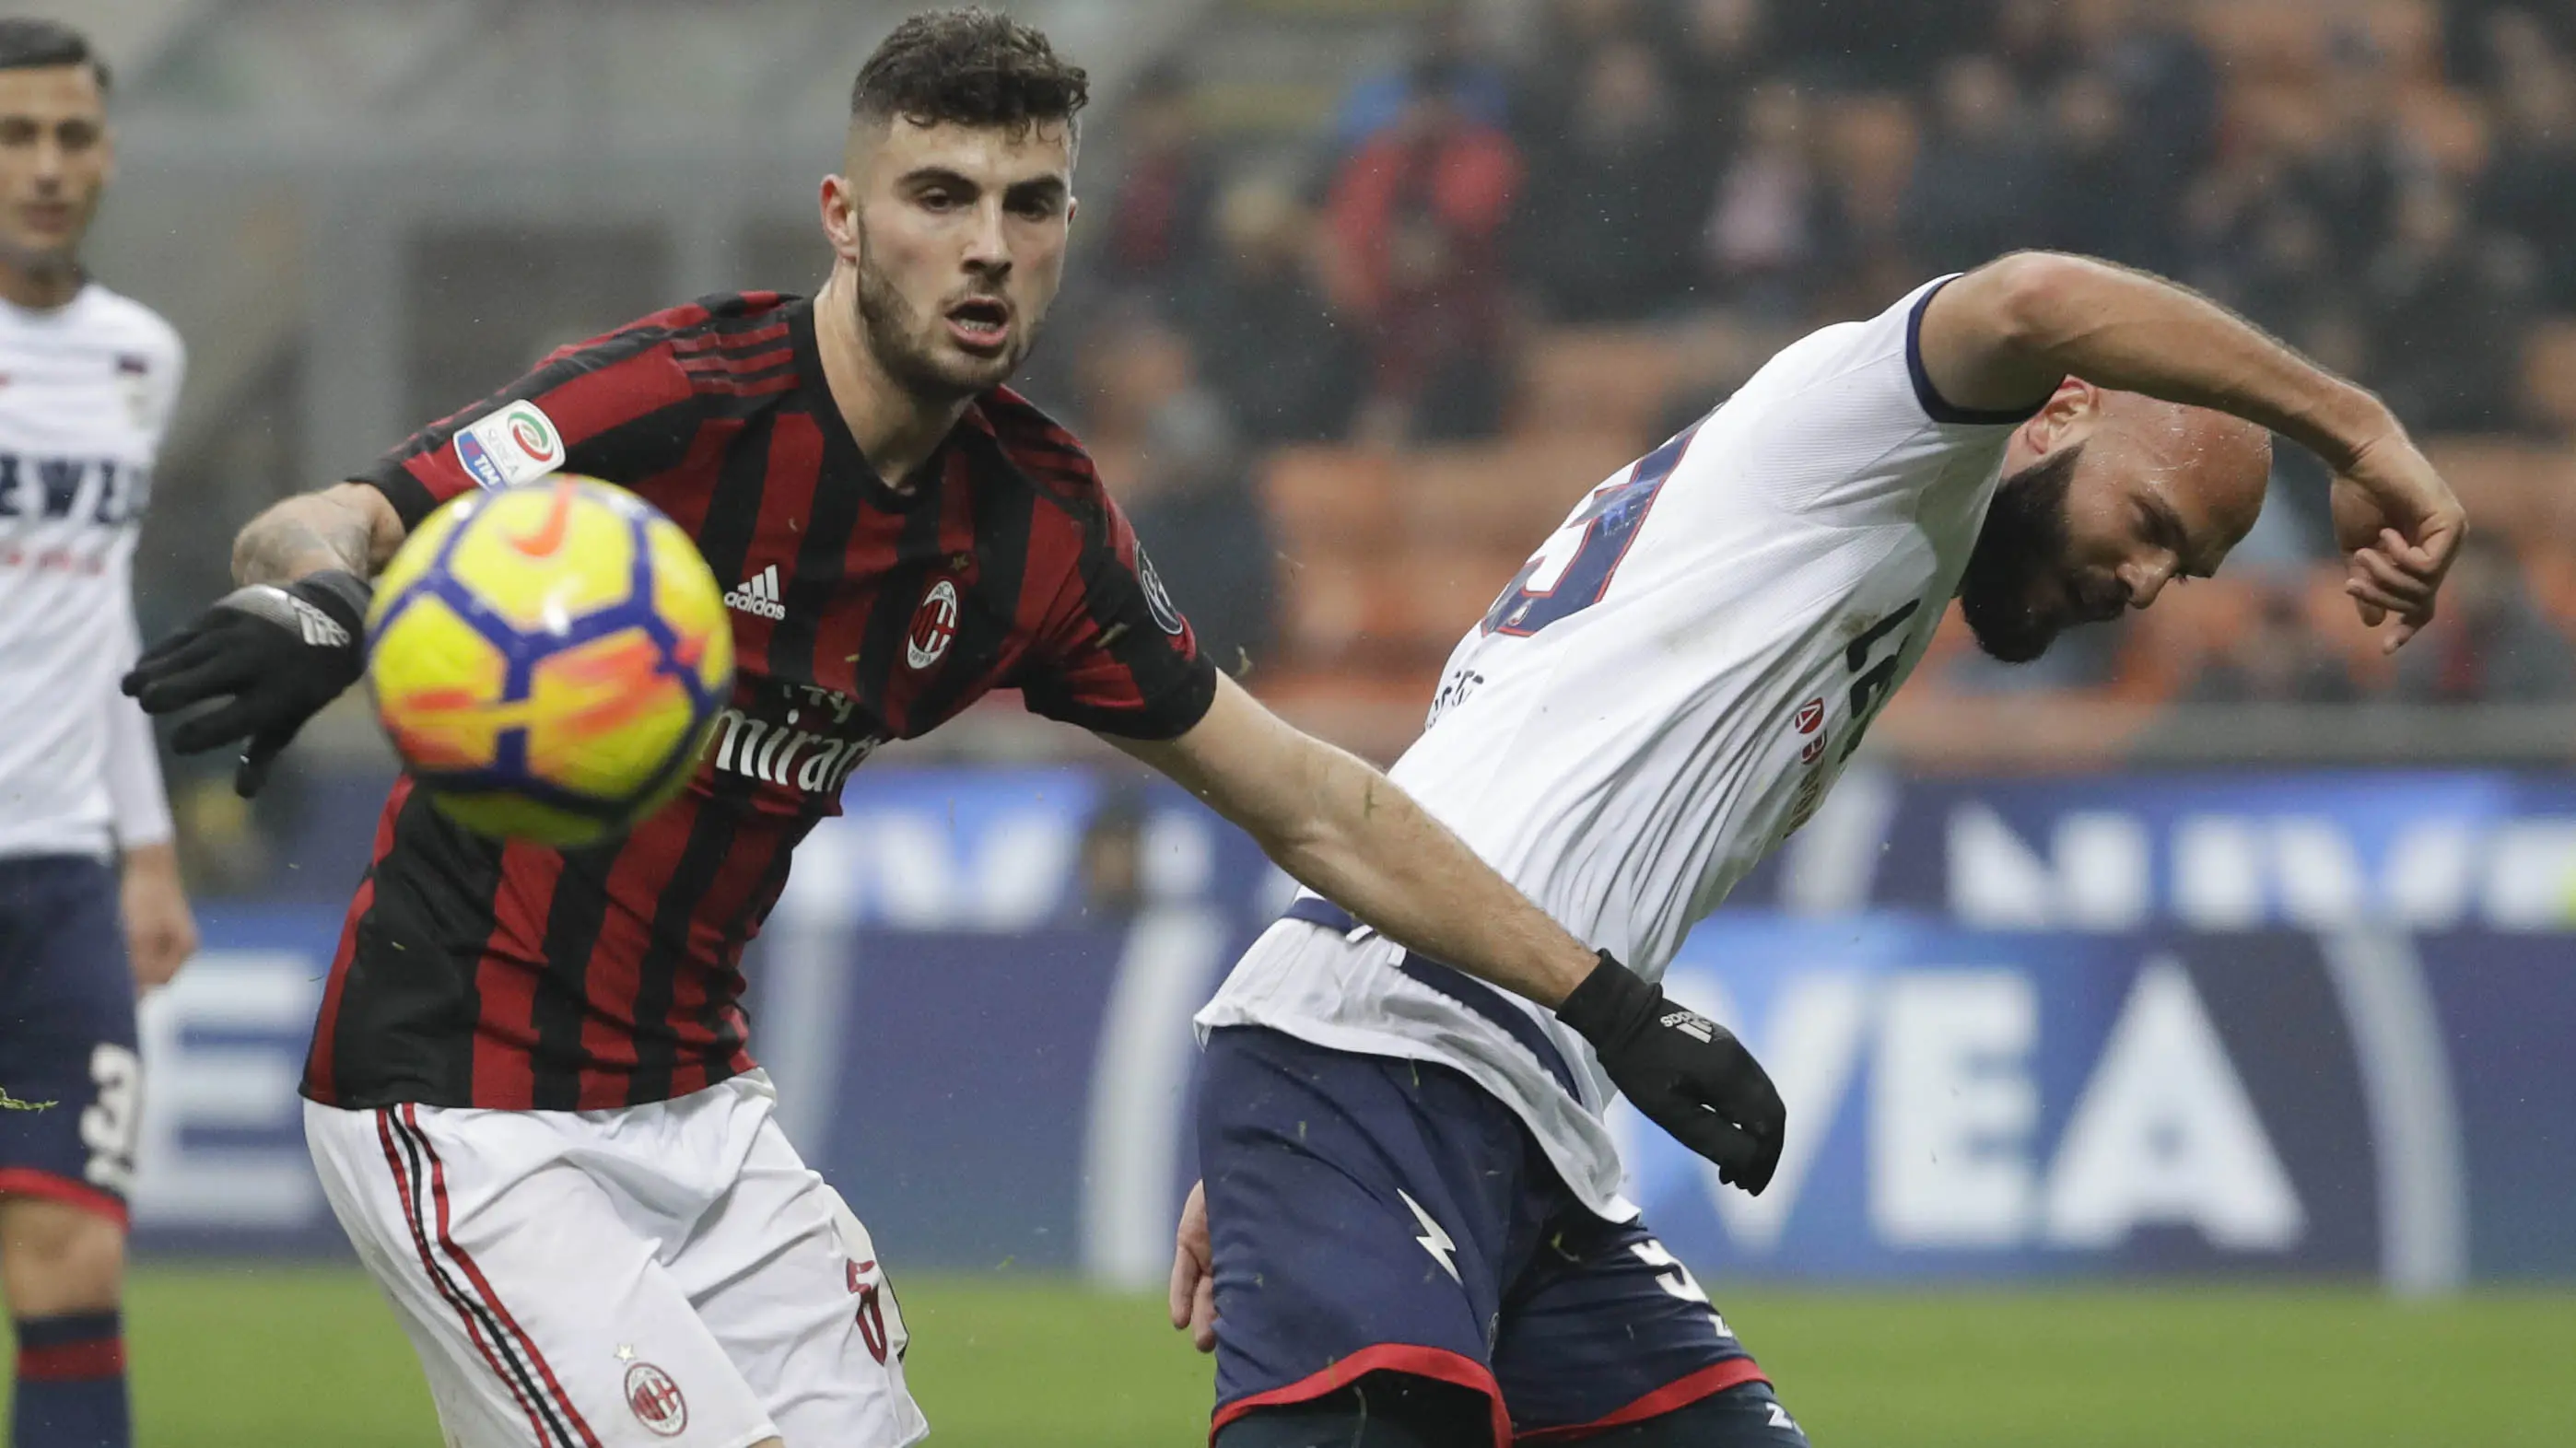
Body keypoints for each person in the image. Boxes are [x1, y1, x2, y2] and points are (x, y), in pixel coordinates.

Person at [119, 11, 1782, 1448]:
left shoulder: (1036, 529)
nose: (987, 244)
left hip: (699, 1105)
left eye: (1028, 203)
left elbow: (1311, 802)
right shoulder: (678, 405)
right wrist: (318, 606)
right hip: (459, 1106)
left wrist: (1611, 1006)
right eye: (940, 199)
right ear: (846, 218)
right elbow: (325, 519)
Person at [1168, 250, 2465, 1447]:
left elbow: (1486, 773)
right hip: (1387, 1049)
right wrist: (2355, 427)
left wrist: (1285, 1127)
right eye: (2155, 521)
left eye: (2182, 572)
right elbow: (2028, 298)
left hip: (1499, 1106)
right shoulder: (1869, 434)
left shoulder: (1863, 550)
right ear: (2061, 410)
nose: (2144, 581)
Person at [0, 21, 198, 1448]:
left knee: (73, 1258)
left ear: (107, 151)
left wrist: (146, 848)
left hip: (62, 876)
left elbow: (99, 601)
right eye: (14, 137)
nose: (47, 168)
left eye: (71, 136)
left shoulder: (143, 359)